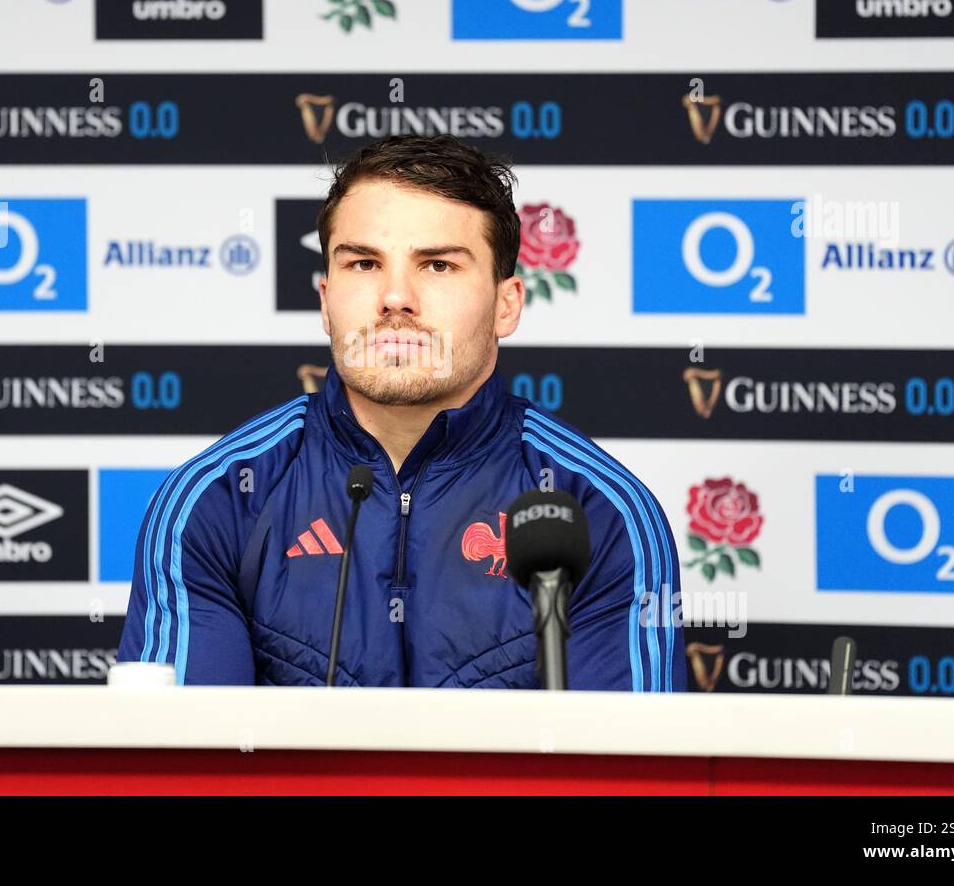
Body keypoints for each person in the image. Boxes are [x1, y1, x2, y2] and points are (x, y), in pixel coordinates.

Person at [118, 133, 686, 689]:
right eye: (364, 264)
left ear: (506, 305)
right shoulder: (218, 500)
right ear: (324, 300)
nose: (395, 297)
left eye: (437, 265)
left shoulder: (600, 511)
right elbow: (190, 769)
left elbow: (627, 777)